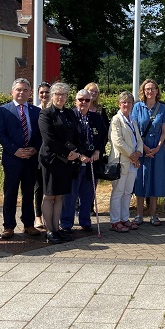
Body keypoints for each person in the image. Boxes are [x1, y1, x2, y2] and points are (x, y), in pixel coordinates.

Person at [0, 78, 43, 240]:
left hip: (31, 158)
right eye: (18, 90)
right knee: (10, 193)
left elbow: (41, 134)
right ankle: (8, 226)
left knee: (28, 192)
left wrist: (34, 148)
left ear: (30, 93)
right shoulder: (3, 110)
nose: (21, 92)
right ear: (12, 92)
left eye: (25, 90)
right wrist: (15, 150)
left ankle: (28, 224)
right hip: (12, 158)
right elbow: (0, 134)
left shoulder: (36, 111)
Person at [37, 83, 82, 244]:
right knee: (49, 195)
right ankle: (49, 231)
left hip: (66, 162)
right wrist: (67, 153)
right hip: (51, 160)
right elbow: (49, 139)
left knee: (60, 196)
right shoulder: (45, 114)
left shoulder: (69, 113)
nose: (60, 97)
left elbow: (76, 134)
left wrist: (76, 153)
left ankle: (57, 228)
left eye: (63, 94)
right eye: (57, 94)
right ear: (52, 95)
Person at [60, 89, 105, 234]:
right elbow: (65, 139)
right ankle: (66, 223)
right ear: (75, 101)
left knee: (87, 194)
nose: (83, 103)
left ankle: (85, 221)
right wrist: (79, 155)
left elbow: (103, 136)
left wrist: (98, 150)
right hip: (75, 162)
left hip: (92, 161)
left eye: (87, 100)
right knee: (70, 195)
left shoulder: (96, 117)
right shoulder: (69, 116)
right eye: (81, 100)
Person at [132, 79, 165, 226]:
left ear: (157, 91)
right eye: (147, 89)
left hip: (157, 150)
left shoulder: (162, 108)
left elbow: (164, 131)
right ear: (143, 91)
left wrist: (158, 147)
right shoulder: (137, 107)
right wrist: (145, 148)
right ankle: (139, 214)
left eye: (153, 88)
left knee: (155, 180)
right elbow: (134, 130)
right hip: (142, 149)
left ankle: (154, 215)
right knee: (140, 180)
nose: (150, 91)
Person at [108, 92, 143, 232]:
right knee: (118, 191)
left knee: (128, 191)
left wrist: (139, 153)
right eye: (124, 102)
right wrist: (132, 155)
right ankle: (115, 221)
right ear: (119, 104)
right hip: (121, 161)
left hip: (133, 162)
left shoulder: (132, 120)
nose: (126, 105)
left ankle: (124, 218)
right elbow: (118, 142)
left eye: (129, 102)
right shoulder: (116, 119)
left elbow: (139, 139)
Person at [33, 81, 52, 230]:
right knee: (39, 187)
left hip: (53, 157)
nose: (44, 95)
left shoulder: (55, 111)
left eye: (47, 92)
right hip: (38, 155)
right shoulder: (35, 111)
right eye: (42, 93)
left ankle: (50, 216)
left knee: (51, 188)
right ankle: (38, 216)